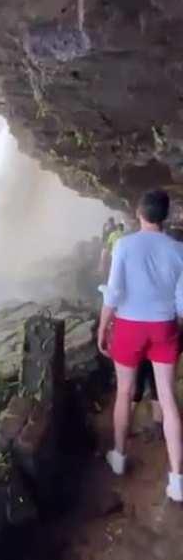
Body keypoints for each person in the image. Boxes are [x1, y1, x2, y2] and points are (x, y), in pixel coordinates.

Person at [97, 189, 183, 502]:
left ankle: (119, 457)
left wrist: (103, 324)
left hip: (130, 327)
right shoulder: (179, 250)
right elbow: (182, 302)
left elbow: (115, 291)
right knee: (168, 398)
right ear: (166, 216)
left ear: (138, 213)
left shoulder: (124, 245)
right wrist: (176, 331)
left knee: (123, 392)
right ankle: (177, 480)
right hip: (164, 326)